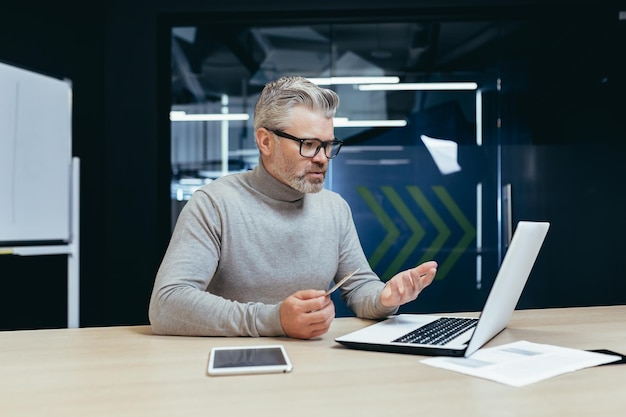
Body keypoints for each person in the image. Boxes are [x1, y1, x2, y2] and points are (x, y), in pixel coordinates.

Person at [149, 76, 438, 339]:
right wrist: (275, 320)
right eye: (309, 144)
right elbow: (167, 304)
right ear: (265, 141)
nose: (323, 158)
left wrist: (386, 297)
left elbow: (360, 287)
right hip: (231, 371)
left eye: (328, 145)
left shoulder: (334, 208)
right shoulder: (214, 205)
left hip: (311, 369)